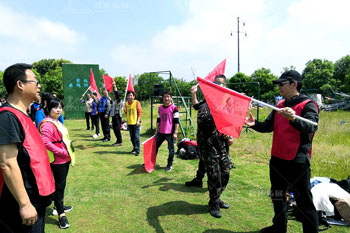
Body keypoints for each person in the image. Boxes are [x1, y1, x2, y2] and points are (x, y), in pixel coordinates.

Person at [245, 70, 319, 233]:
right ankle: (279, 228)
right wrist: (254, 124)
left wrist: (293, 118)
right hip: (277, 160)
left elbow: (311, 127)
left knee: (304, 201)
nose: (279, 87)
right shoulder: (279, 105)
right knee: (278, 196)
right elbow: (268, 126)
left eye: (282, 84)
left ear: (294, 84)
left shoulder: (308, 105)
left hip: (297, 161)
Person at [0, 63, 55, 232]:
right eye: (35, 81)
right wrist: (24, 204)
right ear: (20, 85)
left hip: (36, 201)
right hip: (21, 206)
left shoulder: (23, 114)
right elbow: (7, 164)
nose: (39, 86)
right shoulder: (8, 117)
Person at [191, 74, 232, 218]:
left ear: (225, 86)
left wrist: (229, 135)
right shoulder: (206, 103)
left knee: (226, 172)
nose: (219, 85)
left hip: (221, 145)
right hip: (208, 147)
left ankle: (217, 197)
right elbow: (203, 121)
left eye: (221, 83)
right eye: (216, 83)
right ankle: (214, 203)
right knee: (214, 175)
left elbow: (229, 123)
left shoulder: (226, 104)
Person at [39, 98, 75, 229]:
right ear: (48, 109)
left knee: (61, 186)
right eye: (55, 107)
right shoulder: (48, 123)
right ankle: (61, 215)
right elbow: (45, 142)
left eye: (60, 107)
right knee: (59, 187)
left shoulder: (56, 121)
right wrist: (62, 152)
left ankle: (57, 206)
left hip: (64, 160)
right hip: (58, 161)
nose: (59, 110)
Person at [154, 91, 179, 172]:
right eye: (165, 97)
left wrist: (175, 132)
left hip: (170, 133)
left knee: (171, 149)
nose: (166, 98)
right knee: (154, 147)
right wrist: (156, 130)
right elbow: (158, 120)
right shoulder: (160, 108)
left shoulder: (174, 108)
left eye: (168, 97)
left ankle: (169, 165)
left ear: (171, 98)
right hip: (161, 132)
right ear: (163, 98)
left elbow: (176, 121)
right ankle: (151, 162)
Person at [124, 91, 142, 156]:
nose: (130, 97)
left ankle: (138, 150)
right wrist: (124, 108)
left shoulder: (137, 102)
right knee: (132, 137)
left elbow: (139, 112)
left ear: (134, 96)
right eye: (129, 95)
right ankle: (134, 148)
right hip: (129, 123)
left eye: (131, 95)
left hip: (136, 123)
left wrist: (138, 121)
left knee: (137, 137)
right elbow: (126, 113)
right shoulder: (126, 104)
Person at [110, 82, 123, 146]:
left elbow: (117, 94)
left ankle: (120, 141)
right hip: (114, 116)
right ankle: (117, 141)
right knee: (114, 129)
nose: (113, 95)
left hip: (117, 116)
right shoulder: (115, 101)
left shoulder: (119, 100)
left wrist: (114, 85)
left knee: (117, 129)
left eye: (114, 94)